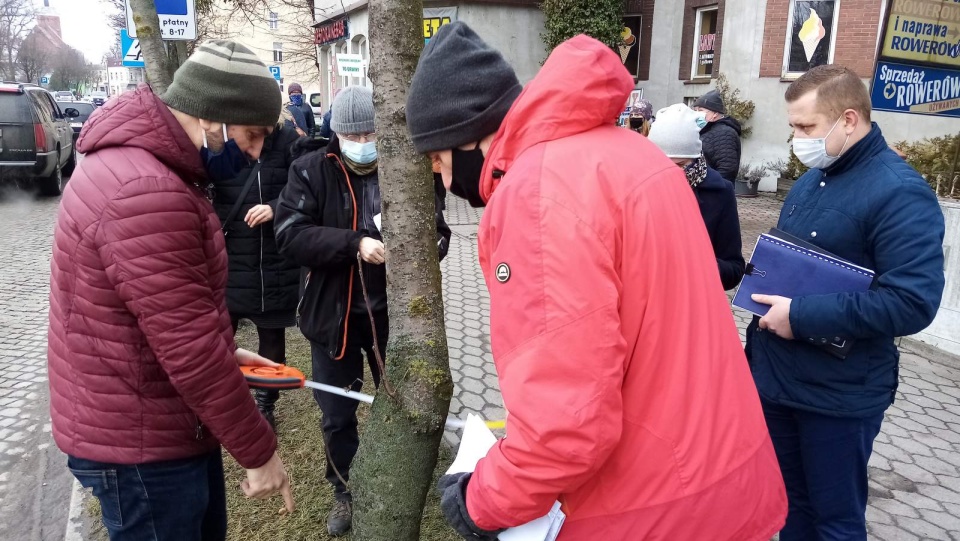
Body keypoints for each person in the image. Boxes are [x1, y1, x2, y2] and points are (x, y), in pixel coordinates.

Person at [406, 22, 786, 541]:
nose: (446, 182)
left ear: (469, 133)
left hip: (648, 507)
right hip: (724, 476)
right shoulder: (635, 155)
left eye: (440, 161)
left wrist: (484, 499)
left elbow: (565, 425)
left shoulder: (535, 195)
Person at [47, 40, 295, 540]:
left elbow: (162, 316)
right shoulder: (148, 190)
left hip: (144, 422)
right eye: (252, 134)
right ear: (211, 117)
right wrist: (260, 452)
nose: (256, 152)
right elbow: (190, 350)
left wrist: (229, 349)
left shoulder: (143, 166)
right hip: (141, 446)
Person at [747, 64, 945, 541]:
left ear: (849, 120)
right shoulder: (813, 179)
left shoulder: (901, 194)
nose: (797, 138)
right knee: (790, 504)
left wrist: (801, 315)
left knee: (834, 519)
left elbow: (911, 302)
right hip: (780, 380)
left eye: (806, 127)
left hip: (838, 395)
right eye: (793, 126)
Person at [274, 85, 451, 536]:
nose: (365, 139)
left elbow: (439, 227)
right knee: (337, 414)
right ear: (338, 134)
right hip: (333, 318)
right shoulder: (310, 170)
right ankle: (345, 489)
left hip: (397, 317)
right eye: (356, 133)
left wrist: (434, 246)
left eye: (372, 130)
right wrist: (354, 244)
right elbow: (290, 234)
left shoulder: (409, 168)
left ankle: (406, 479)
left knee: (405, 404)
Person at [211, 114, 302, 431]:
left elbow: (304, 186)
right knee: (218, 334)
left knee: (271, 334)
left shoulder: (289, 141)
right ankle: (220, 401)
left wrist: (276, 206)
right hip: (232, 253)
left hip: (274, 260)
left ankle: (264, 406)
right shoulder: (222, 140)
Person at [648, 103, 745, 290]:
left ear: (696, 157)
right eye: (662, 164)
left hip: (693, 298)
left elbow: (734, 269)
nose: (672, 173)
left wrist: (698, 264)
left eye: (681, 164)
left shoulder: (719, 192)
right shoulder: (639, 188)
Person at [693, 89, 742, 183]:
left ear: (715, 114)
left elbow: (727, 169)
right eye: (695, 110)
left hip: (713, 193)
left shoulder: (725, 133)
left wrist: (710, 188)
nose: (696, 114)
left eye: (701, 110)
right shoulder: (706, 129)